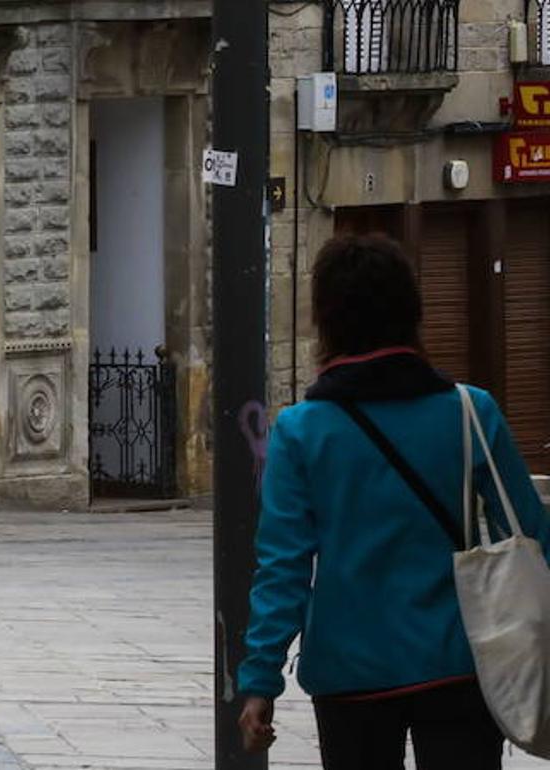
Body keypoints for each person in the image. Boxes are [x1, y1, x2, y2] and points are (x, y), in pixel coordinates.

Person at [236, 234, 550, 769]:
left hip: (349, 673)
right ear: (412, 311)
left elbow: (283, 568)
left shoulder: (300, 431)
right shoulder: (471, 412)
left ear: (327, 320)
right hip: (459, 660)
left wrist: (261, 678)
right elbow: (532, 535)